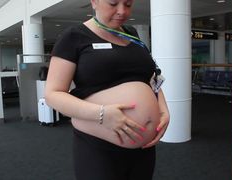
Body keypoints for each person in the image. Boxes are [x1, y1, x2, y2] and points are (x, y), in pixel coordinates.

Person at [45, 0, 170, 179]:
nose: (122, 11)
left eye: (128, 4)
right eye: (113, 3)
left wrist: (163, 108)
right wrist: (102, 113)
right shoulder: (74, 37)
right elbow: (53, 94)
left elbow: (150, 77)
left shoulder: (132, 34)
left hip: (143, 148)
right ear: (94, 1)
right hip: (98, 145)